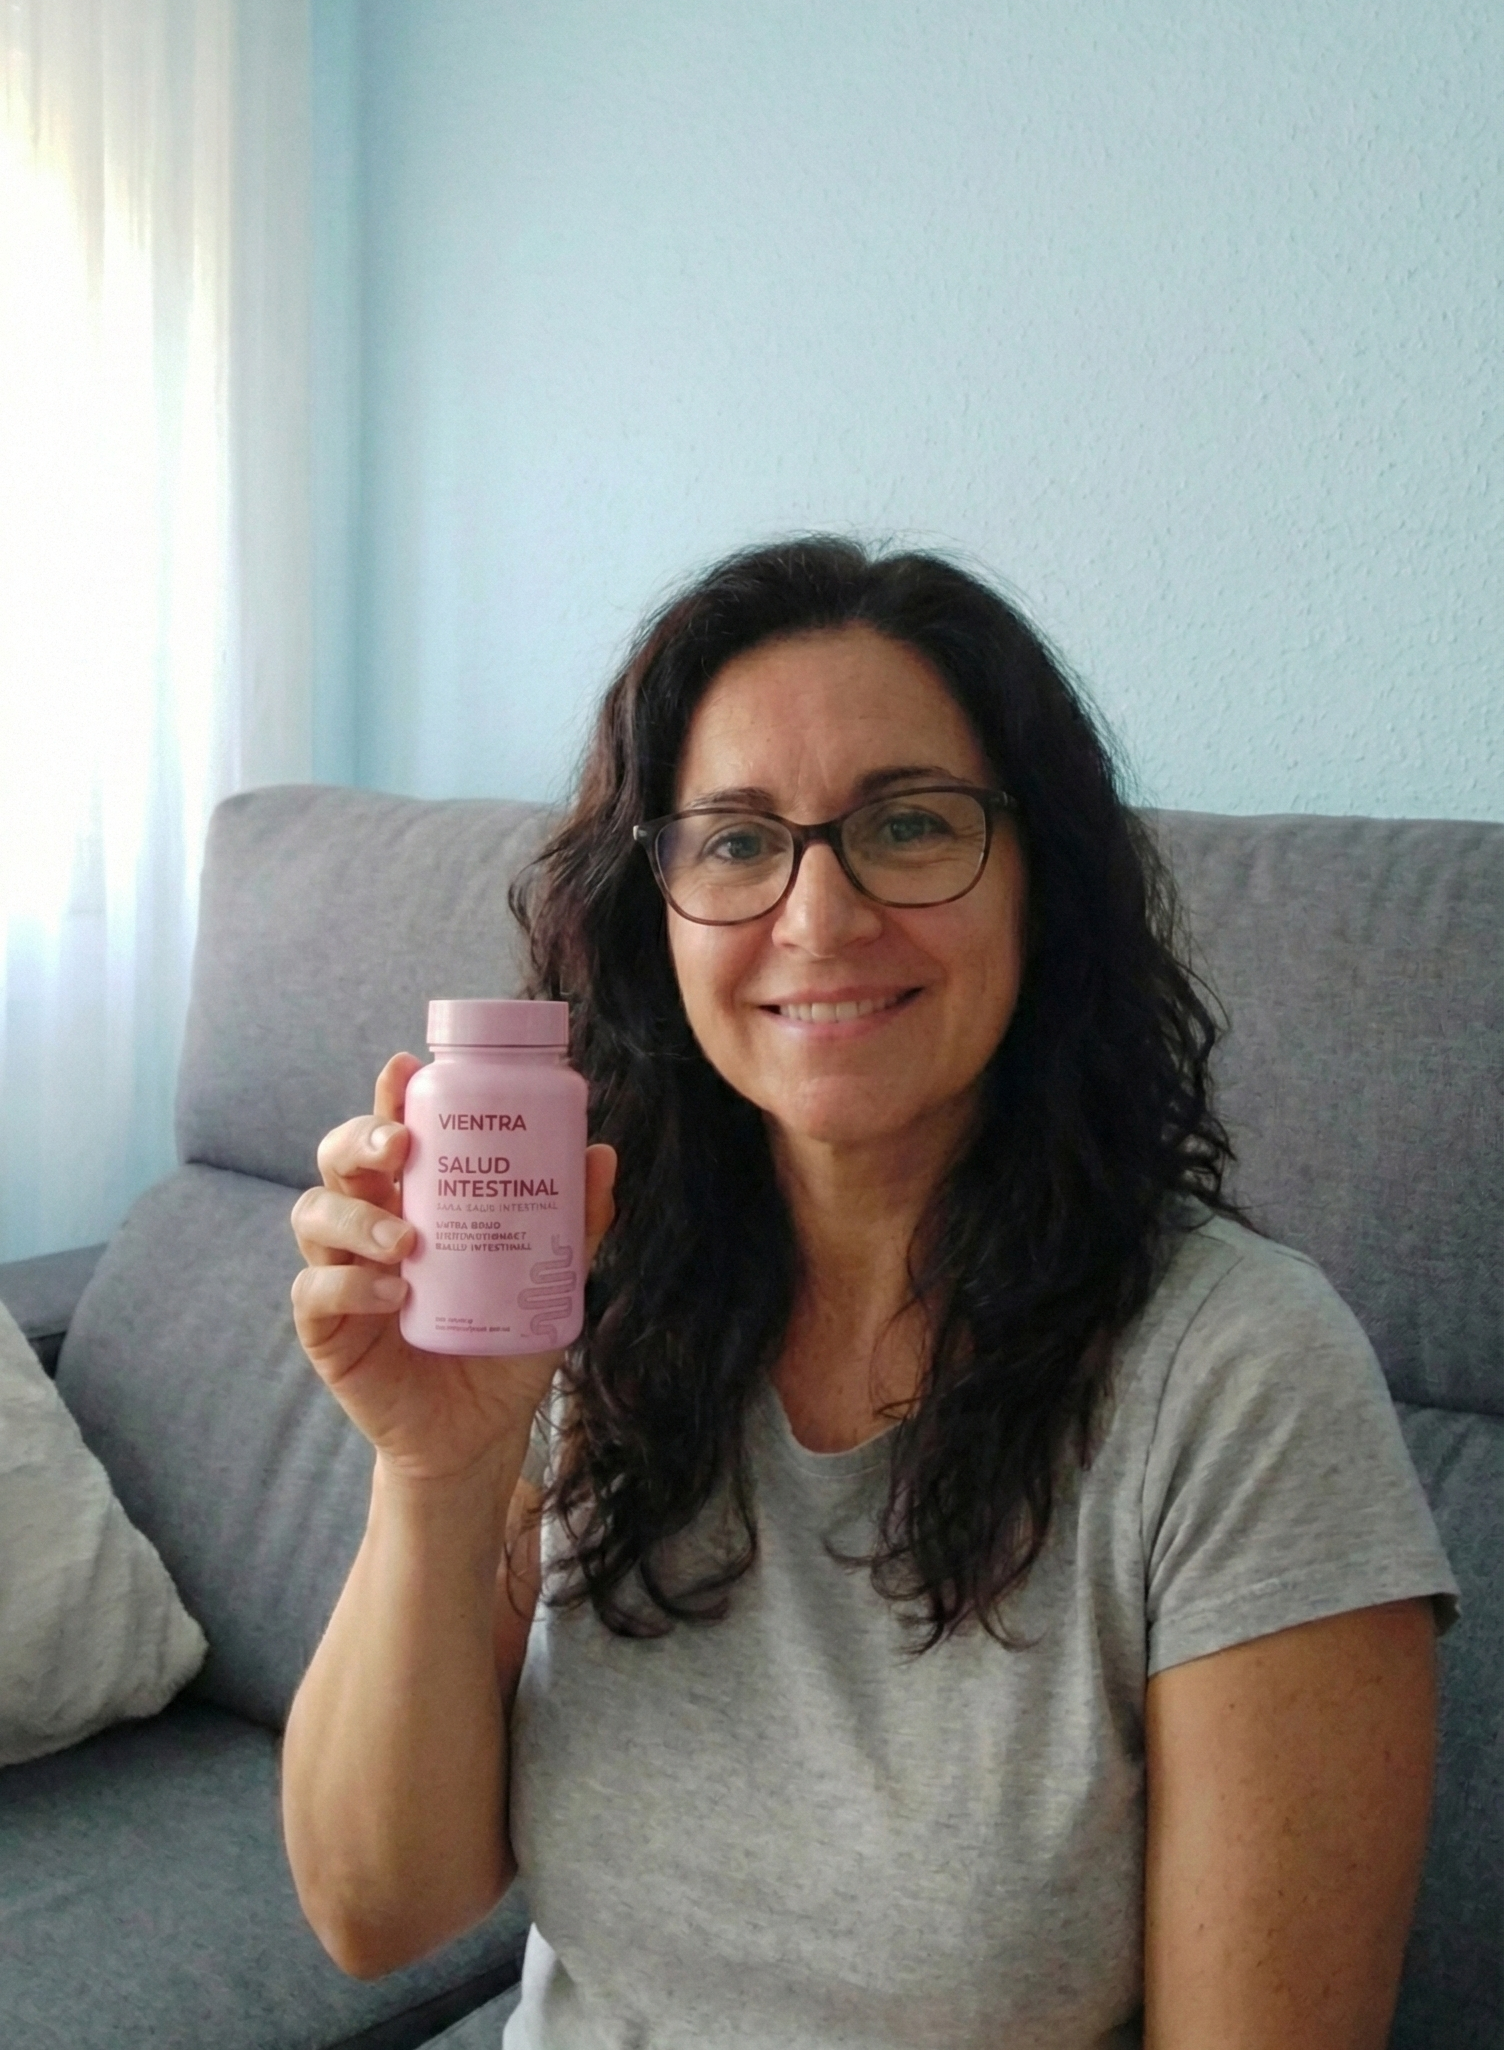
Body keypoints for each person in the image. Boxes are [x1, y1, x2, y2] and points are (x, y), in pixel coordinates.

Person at [281, 537, 1457, 2049]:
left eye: (907, 824)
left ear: (1040, 881)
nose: (818, 919)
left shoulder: (1237, 1375)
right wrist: (437, 1470)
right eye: (735, 840)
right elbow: (377, 1910)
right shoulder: (580, 1273)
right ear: (656, 907)